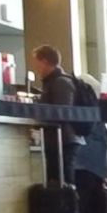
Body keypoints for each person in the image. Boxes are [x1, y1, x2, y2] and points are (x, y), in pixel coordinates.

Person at [31, 45, 82, 186]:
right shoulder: (56, 82)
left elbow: (62, 112)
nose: (36, 67)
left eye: (37, 62)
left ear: (46, 61)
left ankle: (67, 206)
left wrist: (39, 117)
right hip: (60, 139)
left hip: (63, 140)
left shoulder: (60, 82)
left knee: (63, 180)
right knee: (59, 179)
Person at [72, 73, 107, 213]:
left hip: (83, 156)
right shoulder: (95, 103)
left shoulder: (81, 102)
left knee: (84, 194)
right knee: (95, 191)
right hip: (96, 157)